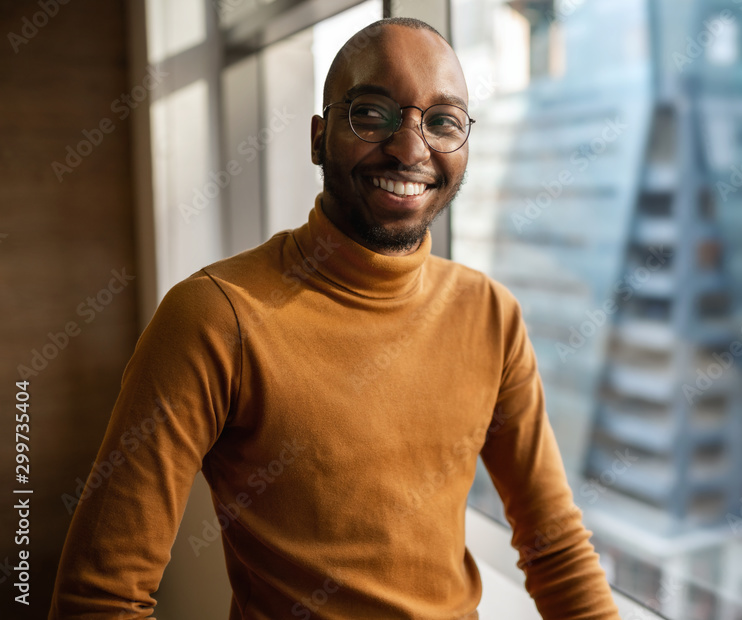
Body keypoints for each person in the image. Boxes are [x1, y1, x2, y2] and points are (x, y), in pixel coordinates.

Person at [49, 17, 622, 620]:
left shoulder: (490, 315)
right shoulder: (215, 317)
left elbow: (555, 548)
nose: (409, 148)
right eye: (372, 113)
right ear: (320, 138)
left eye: (442, 121)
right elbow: (100, 597)